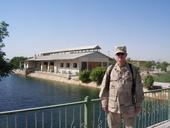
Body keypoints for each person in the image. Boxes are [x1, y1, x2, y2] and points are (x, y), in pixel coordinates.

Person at [99, 46, 144, 128]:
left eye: (122, 54)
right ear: (115, 56)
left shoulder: (133, 69)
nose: (120, 56)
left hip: (129, 106)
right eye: (118, 54)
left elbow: (138, 88)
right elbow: (104, 87)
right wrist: (104, 102)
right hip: (113, 106)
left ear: (126, 55)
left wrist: (138, 105)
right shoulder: (110, 69)